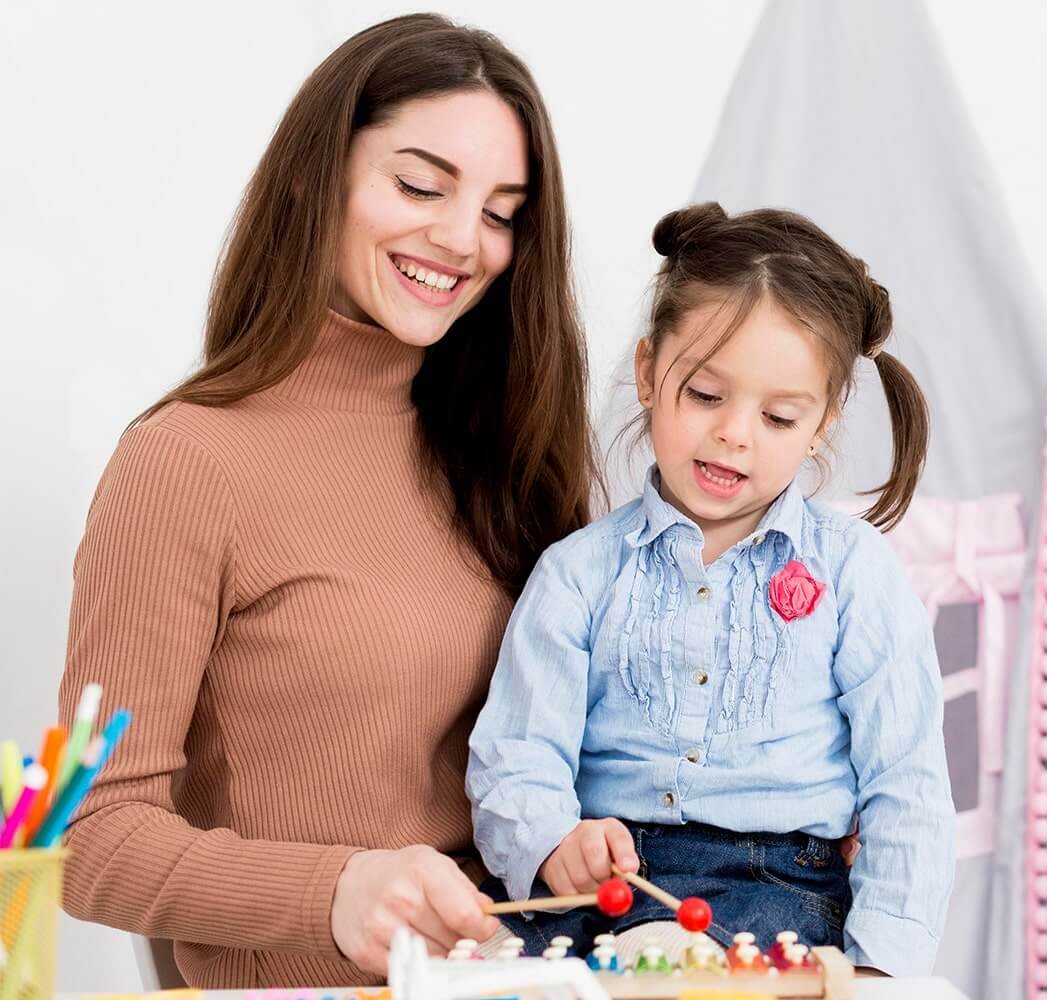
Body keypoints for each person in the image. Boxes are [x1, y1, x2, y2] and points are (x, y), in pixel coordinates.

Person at [55, 14, 596, 987]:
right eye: (421, 186)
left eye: (501, 212)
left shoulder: (508, 453)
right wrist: (333, 891)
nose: (461, 238)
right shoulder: (184, 462)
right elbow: (89, 839)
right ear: (317, 176)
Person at [467, 202, 955, 977]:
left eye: (779, 416)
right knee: (477, 970)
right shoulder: (577, 572)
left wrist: (879, 969)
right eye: (705, 395)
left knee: (680, 973)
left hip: (778, 889)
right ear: (648, 373)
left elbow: (908, 783)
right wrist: (554, 842)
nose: (735, 433)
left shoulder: (855, 572)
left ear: (822, 424)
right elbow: (518, 750)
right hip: (608, 882)